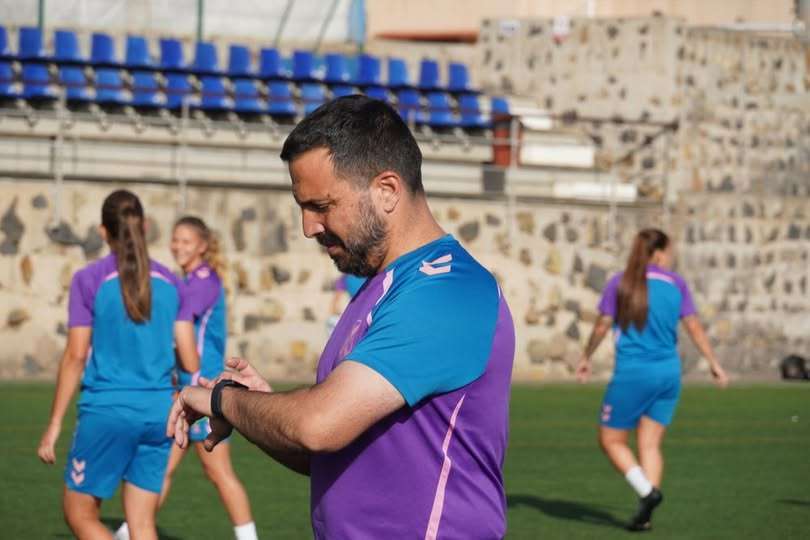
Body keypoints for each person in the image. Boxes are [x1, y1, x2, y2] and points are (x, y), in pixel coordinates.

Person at [166, 95, 516, 538]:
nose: (308, 227)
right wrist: (261, 408)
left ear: (387, 191)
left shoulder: (447, 291)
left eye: (321, 206)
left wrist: (222, 400)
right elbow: (326, 451)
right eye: (302, 207)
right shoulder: (381, 287)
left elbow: (318, 426)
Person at [37, 189, 199, 540]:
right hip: (160, 414)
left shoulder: (89, 279)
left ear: (102, 231)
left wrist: (53, 424)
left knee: (79, 515)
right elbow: (189, 359)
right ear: (145, 226)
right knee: (142, 525)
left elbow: (76, 355)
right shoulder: (172, 283)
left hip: (107, 411)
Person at [576, 228, 729, 531]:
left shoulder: (620, 283)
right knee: (649, 444)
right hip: (669, 374)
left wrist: (586, 357)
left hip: (633, 373)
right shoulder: (677, 284)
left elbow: (601, 327)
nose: (671, 259)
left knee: (610, 440)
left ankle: (648, 493)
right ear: (658, 253)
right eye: (670, 253)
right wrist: (714, 363)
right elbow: (694, 327)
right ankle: (645, 515)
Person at [115, 216, 258, 540]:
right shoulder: (189, 281)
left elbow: (180, 329)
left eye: (186, 241)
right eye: (175, 239)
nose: (178, 246)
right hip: (186, 389)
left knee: (218, 471)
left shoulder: (204, 280)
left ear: (203, 246)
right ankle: (129, 532)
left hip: (205, 390)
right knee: (160, 468)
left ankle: (249, 537)